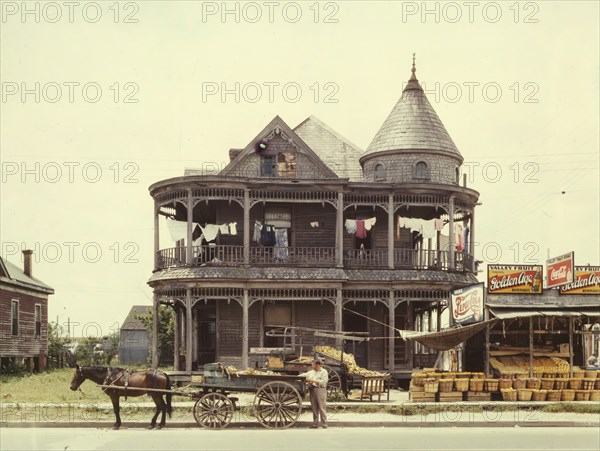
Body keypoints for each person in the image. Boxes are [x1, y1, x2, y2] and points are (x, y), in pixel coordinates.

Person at [300, 359, 329, 429]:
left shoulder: (324, 372)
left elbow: (324, 382)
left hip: (320, 390)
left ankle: (324, 424)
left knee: (322, 407)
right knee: (314, 407)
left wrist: (312, 380)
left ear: (318, 365)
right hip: (312, 390)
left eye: (313, 365)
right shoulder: (311, 372)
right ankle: (315, 423)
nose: (312, 366)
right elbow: (303, 375)